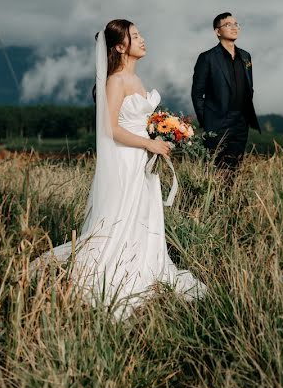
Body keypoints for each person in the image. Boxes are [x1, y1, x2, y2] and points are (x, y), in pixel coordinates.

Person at [29, 19, 207, 319]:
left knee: (143, 214)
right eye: (135, 36)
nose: (142, 39)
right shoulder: (115, 81)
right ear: (120, 46)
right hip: (126, 158)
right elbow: (110, 129)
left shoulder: (136, 80)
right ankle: (114, 273)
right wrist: (149, 144)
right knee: (121, 215)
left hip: (140, 158)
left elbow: (140, 123)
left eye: (140, 34)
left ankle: (146, 264)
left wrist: (162, 135)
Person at [191, 12, 260, 172]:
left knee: (235, 166)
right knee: (214, 167)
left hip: (241, 121)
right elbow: (197, 93)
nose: (234, 27)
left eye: (236, 24)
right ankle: (212, 197)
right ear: (217, 31)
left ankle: (230, 197)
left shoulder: (245, 56)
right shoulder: (207, 58)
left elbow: (249, 87)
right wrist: (206, 120)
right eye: (228, 24)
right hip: (217, 121)